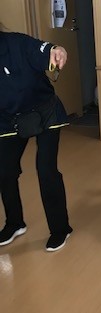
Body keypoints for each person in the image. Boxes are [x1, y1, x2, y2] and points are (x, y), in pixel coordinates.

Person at [0, 23, 72, 251]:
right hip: (8, 118)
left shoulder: (17, 43)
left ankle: (60, 229)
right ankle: (15, 223)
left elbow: (48, 50)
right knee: (4, 171)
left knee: (45, 169)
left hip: (45, 112)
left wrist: (58, 50)